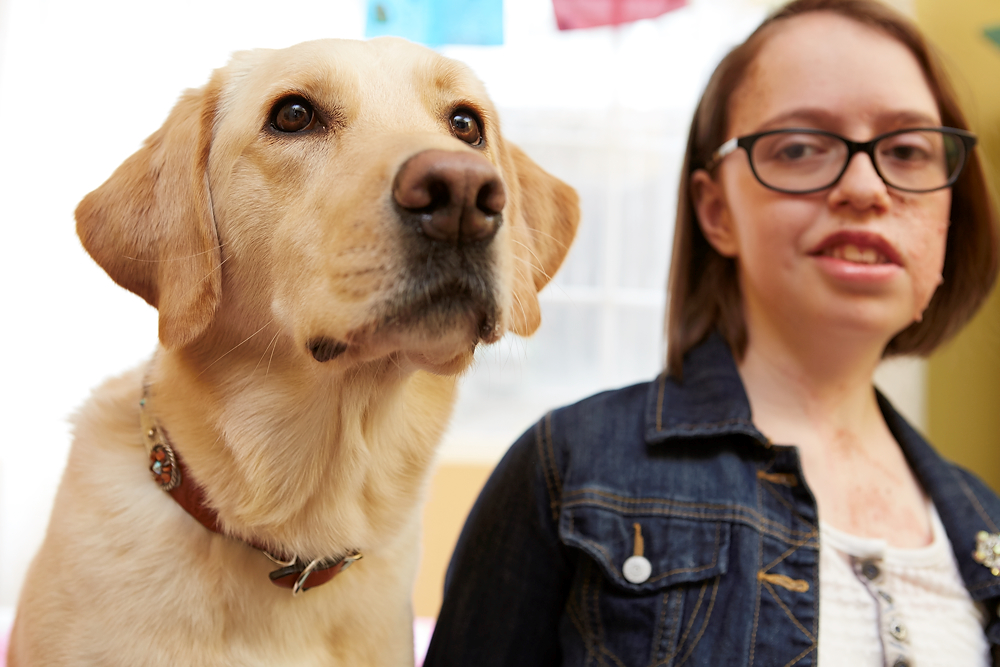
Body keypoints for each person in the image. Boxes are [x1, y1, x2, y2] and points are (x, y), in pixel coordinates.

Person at [423, 0, 1000, 664]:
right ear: (716, 209)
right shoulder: (570, 468)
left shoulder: (984, 523)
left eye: (907, 149)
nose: (866, 187)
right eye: (802, 147)